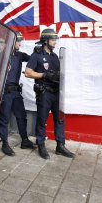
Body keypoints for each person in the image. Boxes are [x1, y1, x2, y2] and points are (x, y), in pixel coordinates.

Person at [25, 29, 75, 160]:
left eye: (55, 39)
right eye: (53, 40)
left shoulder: (55, 56)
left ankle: (60, 146)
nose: (55, 42)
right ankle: (41, 145)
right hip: (44, 93)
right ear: (45, 40)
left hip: (56, 93)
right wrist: (44, 75)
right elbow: (28, 72)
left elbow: (59, 73)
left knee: (60, 119)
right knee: (42, 120)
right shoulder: (36, 55)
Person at [0, 31, 35, 156]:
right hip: (5, 92)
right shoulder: (1, 55)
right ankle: (4, 143)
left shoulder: (19, 55)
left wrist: (38, 50)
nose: (20, 43)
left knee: (21, 117)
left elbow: (32, 59)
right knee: (4, 119)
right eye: (18, 41)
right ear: (11, 42)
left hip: (15, 92)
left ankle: (24, 140)